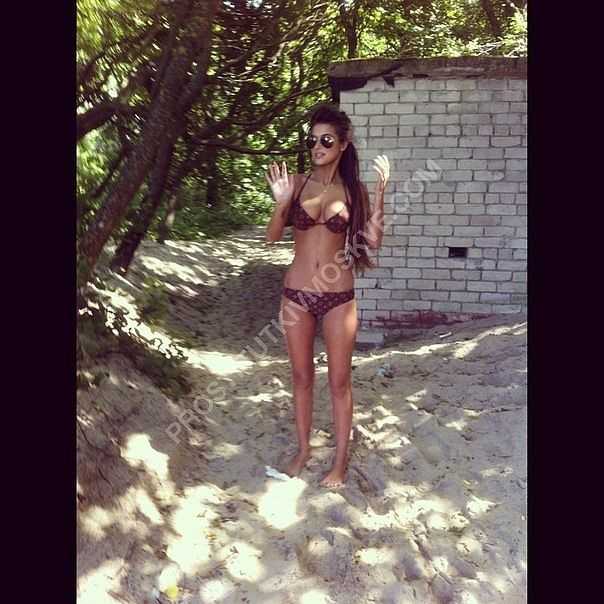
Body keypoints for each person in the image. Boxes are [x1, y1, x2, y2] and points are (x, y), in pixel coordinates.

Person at [265, 103, 390, 487]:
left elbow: (372, 242)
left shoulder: (353, 191)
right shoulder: (297, 183)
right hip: (297, 294)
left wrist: (380, 194)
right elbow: (271, 238)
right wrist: (281, 203)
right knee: (301, 376)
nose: (317, 147)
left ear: (343, 144)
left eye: (326, 141)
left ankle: (339, 463)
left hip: (339, 296)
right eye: (312, 141)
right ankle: (303, 450)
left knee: (339, 381)